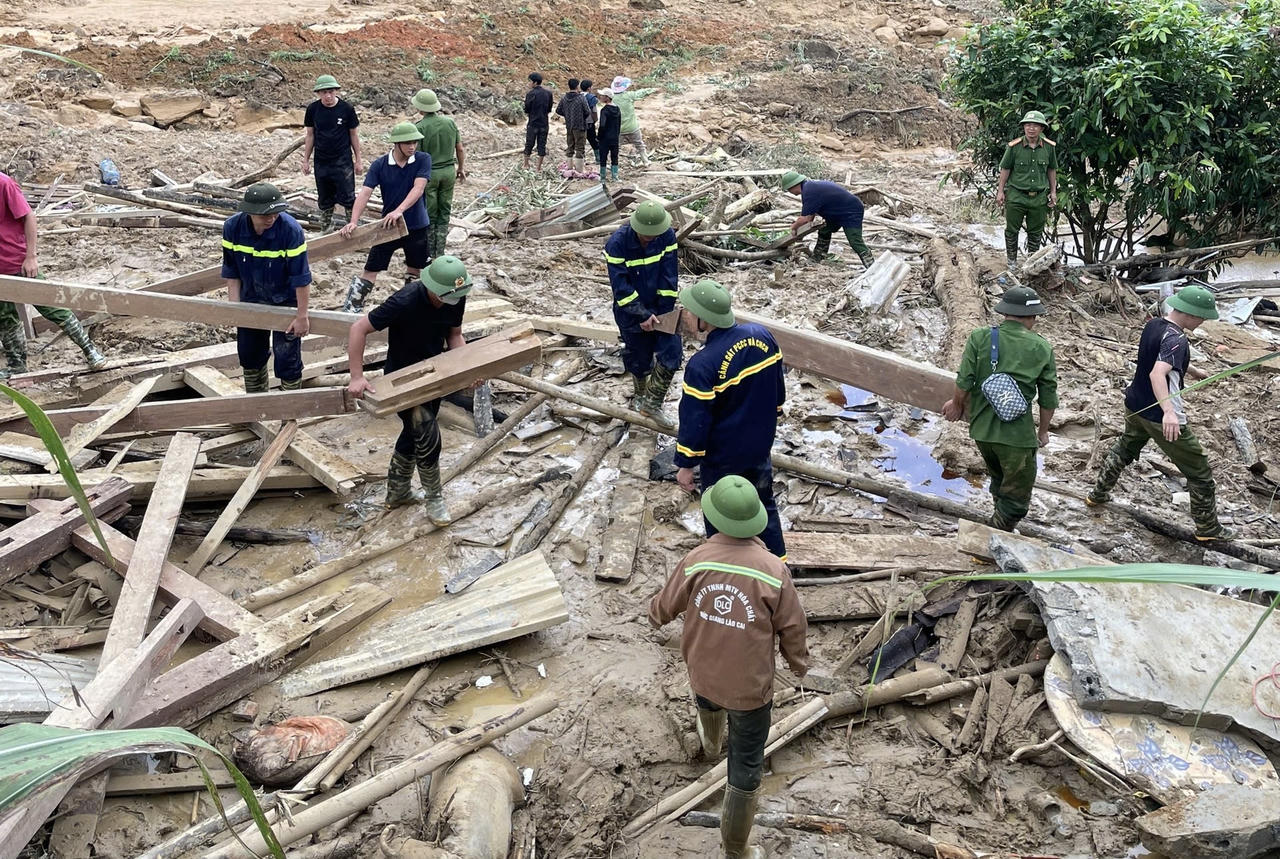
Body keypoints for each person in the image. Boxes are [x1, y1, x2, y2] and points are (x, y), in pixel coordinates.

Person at [649, 474, 808, 859]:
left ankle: (709, 743)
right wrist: (798, 663)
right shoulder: (773, 570)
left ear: (715, 518)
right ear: (754, 519)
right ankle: (735, 849)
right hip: (750, 689)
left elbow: (663, 607)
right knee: (747, 765)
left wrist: (655, 614)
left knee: (708, 703)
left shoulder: (696, 560)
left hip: (702, 672)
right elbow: (793, 627)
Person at [1086, 285, 1234, 541]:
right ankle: (1208, 529)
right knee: (1200, 472)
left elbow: (1155, 358)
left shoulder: (1154, 324)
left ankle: (1097, 494)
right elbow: (1157, 373)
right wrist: (1169, 412)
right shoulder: (1177, 338)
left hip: (1135, 405)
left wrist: (1192, 371)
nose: (1202, 321)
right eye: (1201, 316)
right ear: (1189, 313)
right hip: (1158, 414)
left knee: (1125, 448)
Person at [346, 255, 473, 522]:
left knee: (413, 433)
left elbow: (454, 334)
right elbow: (359, 328)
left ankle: (397, 492)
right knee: (426, 432)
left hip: (434, 374)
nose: (449, 303)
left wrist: (467, 370)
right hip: (401, 378)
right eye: (444, 298)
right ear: (431, 287)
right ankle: (434, 498)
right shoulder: (405, 300)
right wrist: (356, 376)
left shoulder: (456, 295)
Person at [675, 280, 788, 560]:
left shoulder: (703, 365)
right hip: (760, 446)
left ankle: (725, 566)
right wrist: (772, 416)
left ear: (705, 321)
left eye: (689, 312)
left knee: (720, 514)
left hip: (724, 456)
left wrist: (686, 464)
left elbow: (695, 420)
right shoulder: (762, 336)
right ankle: (778, 563)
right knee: (763, 505)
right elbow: (778, 388)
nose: (685, 316)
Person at [941, 286, 1056, 533]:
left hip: (982, 432)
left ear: (1005, 313)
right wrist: (1043, 432)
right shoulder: (1041, 347)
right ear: (1031, 317)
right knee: (1016, 501)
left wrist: (956, 405)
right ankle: (990, 538)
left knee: (999, 482)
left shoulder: (980, 337)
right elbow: (1048, 398)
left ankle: (997, 529)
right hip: (1016, 438)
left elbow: (964, 380)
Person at [0, 171, 105, 377]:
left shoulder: (4, 184)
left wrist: (31, 256)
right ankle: (17, 365)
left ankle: (90, 350)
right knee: (5, 317)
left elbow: (29, 216)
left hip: (17, 261)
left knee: (51, 307)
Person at [220, 183, 312, 393]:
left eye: (276, 213)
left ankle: (289, 412)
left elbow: (301, 277)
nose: (271, 218)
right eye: (265, 215)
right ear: (250, 212)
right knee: (250, 355)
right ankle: (257, 403)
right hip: (250, 299)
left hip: (286, 301)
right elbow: (232, 272)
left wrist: (302, 316)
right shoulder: (232, 228)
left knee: (287, 359)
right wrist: (234, 310)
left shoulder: (290, 230)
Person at [339, 122, 431, 314]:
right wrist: (354, 221)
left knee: (415, 269)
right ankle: (351, 308)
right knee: (371, 268)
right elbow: (364, 194)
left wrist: (400, 210)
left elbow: (418, 188)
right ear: (396, 144)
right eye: (407, 143)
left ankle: (410, 308)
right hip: (388, 226)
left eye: (414, 142)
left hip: (416, 225)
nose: (412, 147)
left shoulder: (423, 159)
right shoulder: (380, 165)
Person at [604, 199, 680, 427]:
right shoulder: (617, 244)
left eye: (654, 234)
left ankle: (652, 404)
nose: (650, 238)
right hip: (630, 311)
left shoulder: (666, 237)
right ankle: (640, 395)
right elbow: (621, 288)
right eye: (646, 235)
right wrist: (642, 314)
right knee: (639, 356)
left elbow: (669, 278)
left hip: (661, 308)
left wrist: (661, 315)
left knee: (672, 352)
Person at [995, 109, 1058, 269]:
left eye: (1035, 126)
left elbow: (1051, 169)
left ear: (1041, 129)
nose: (1031, 129)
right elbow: (1005, 169)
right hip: (1016, 195)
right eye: (1028, 125)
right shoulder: (1014, 147)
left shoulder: (1049, 148)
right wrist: (1000, 191)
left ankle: (1032, 262)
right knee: (1011, 230)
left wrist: (1053, 192)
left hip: (1038, 197)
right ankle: (1012, 262)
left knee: (1036, 232)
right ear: (1023, 127)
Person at [302, 74, 361, 233]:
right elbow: (310, 135)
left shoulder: (346, 109)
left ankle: (352, 227)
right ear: (318, 93)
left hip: (342, 160)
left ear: (336, 91)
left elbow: (353, 135)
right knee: (324, 197)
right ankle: (326, 227)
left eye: (331, 91)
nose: (328, 96)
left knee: (348, 197)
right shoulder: (313, 110)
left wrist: (358, 160)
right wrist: (306, 160)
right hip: (321, 160)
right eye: (324, 92)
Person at [412, 88, 466, 260]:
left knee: (429, 212)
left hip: (430, 174)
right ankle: (440, 252)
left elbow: (416, 156)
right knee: (445, 211)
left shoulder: (419, 127)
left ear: (420, 108)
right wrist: (461, 168)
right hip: (449, 172)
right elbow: (460, 148)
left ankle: (429, 251)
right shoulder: (449, 123)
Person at [780, 171, 874, 267]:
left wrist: (793, 227)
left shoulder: (809, 191)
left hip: (851, 211)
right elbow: (810, 216)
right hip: (836, 212)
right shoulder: (809, 188)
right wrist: (801, 233)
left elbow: (804, 219)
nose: (789, 192)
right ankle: (818, 257)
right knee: (824, 231)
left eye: (788, 190)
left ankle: (872, 265)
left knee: (855, 241)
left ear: (792, 187)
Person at [610, 76, 656, 165]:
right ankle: (646, 161)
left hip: (618, 129)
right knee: (640, 145)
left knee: (616, 147)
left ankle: (613, 164)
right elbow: (640, 93)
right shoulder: (629, 95)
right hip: (632, 127)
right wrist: (652, 90)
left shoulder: (612, 98)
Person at [555, 78, 590, 175]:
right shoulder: (581, 98)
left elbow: (558, 110)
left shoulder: (564, 98)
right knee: (580, 147)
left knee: (570, 146)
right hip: (580, 126)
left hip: (569, 125)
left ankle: (570, 167)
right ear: (577, 86)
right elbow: (587, 111)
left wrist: (567, 115)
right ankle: (579, 170)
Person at [522, 72, 553, 171]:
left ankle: (526, 164)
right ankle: (538, 167)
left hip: (533, 123)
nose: (529, 83)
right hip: (544, 123)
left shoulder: (530, 94)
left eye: (530, 81)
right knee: (542, 145)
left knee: (529, 143)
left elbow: (526, 109)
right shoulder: (548, 93)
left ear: (535, 82)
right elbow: (549, 108)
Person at [596, 88, 621, 183]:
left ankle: (603, 177)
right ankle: (615, 176)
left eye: (602, 96)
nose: (600, 97)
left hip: (605, 138)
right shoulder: (617, 109)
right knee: (614, 156)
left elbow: (602, 125)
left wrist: (599, 136)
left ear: (607, 98)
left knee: (603, 157)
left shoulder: (604, 110)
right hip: (614, 137)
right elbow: (618, 124)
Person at [580, 78, 600, 161]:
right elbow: (594, 111)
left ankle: (581, 159)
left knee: (580, 142)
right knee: (593, 140)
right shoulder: (591, 98)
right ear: (589, 88)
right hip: (589, 122)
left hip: (578, 123)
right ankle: (598, 158)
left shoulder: (578, 96)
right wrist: (595, 120)